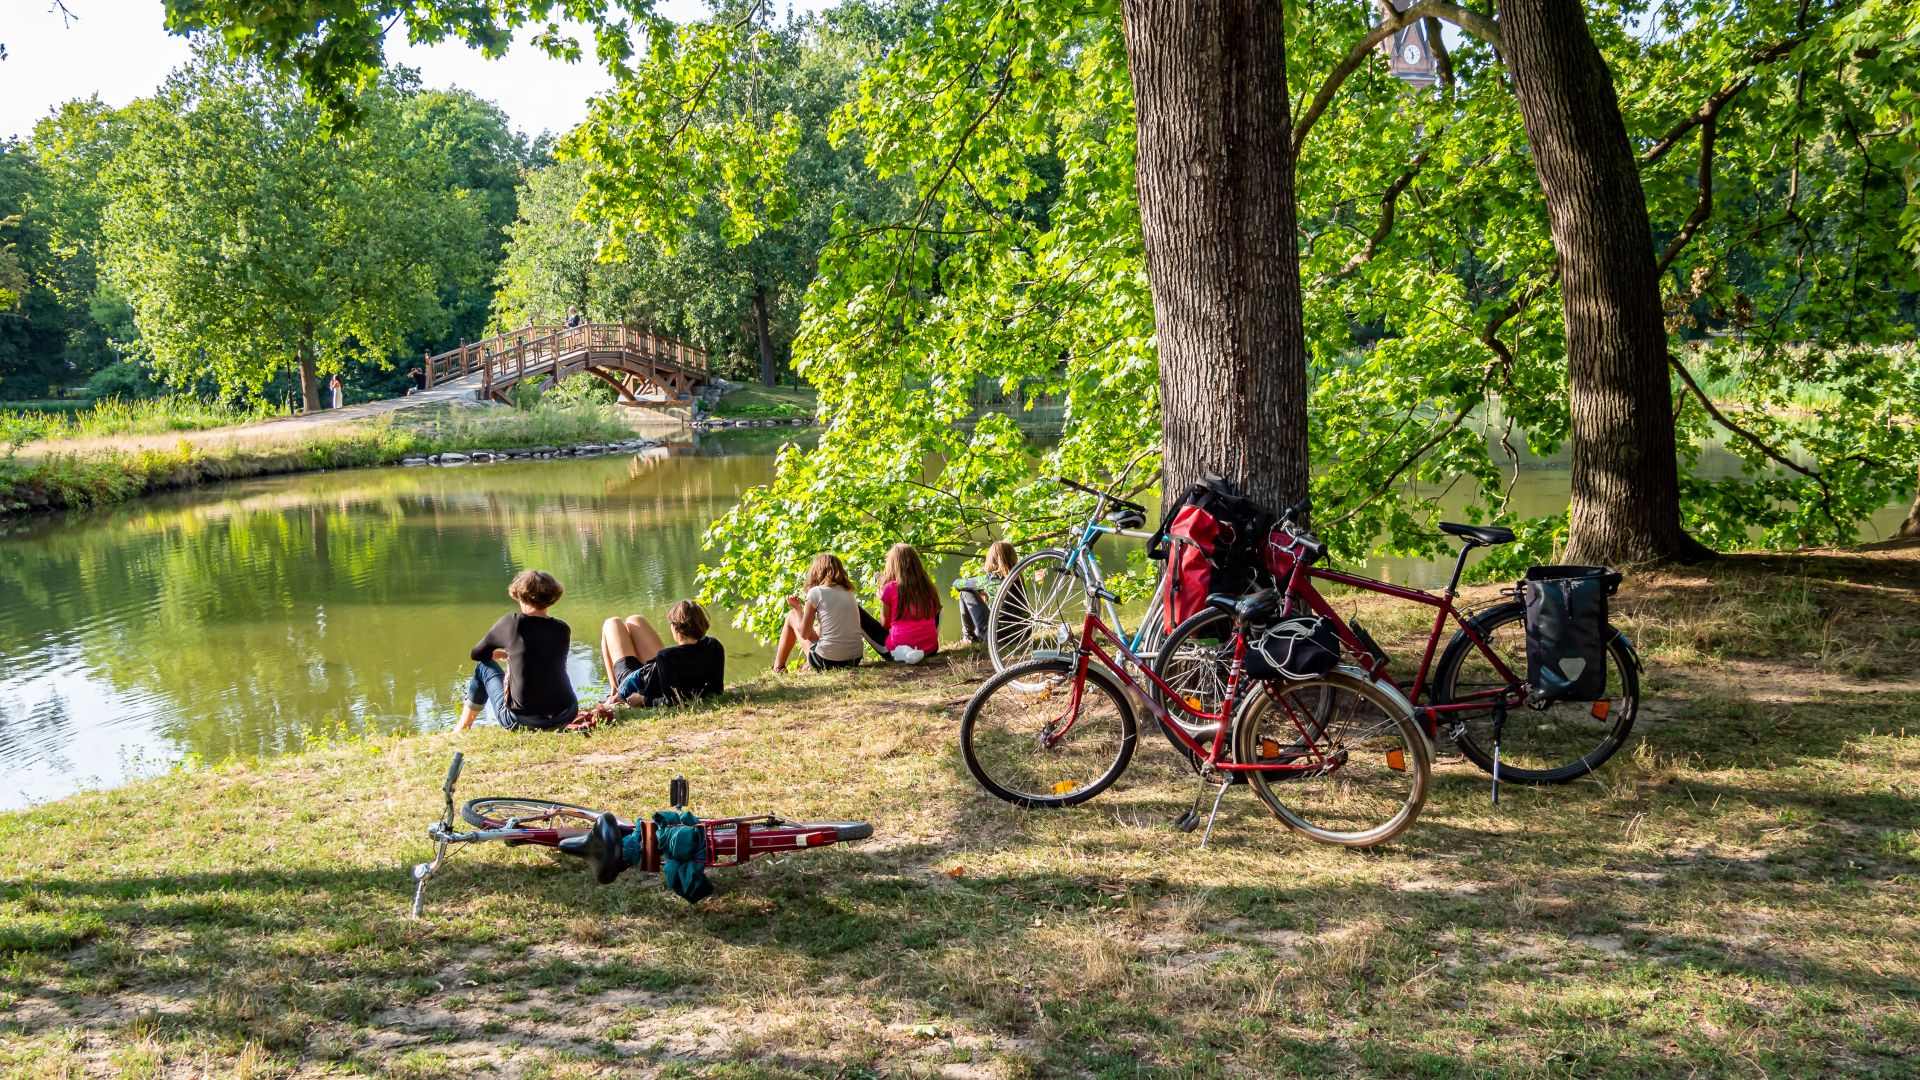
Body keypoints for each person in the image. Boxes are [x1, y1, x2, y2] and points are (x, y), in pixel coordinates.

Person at [459, 570, 579, 731]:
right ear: (552, 598)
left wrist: (498, 653)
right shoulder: (562, 628)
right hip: (566, 713)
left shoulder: (512, 623)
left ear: (519, 596)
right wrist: (509, 654)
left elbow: (477, 654)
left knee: (483, 666)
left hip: (523, 720)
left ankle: (463, 727)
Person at [602, 599, 726, 707]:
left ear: (676, 628)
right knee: (635, 619)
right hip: (656, 672)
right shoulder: (714, 645)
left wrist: (643, 700)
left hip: (635, 684)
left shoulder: (666, 657)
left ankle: (614, 692)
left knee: (611, 623)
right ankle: (614, 692)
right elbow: (717, 690)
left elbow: (673, 701)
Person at [774, 553, 866, 672]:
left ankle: (778, 668)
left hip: (827, 661)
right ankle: (781, 667)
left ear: (816, 572)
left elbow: (804, 634)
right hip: (854, 658)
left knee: (792, 616)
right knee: (819, 628)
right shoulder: (848, 593)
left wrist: (797, 609)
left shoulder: (816, 592)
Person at [862, 543, 941, 664]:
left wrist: (882, 598)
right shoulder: (928, 587)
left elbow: (885, 625)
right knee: (938, 609)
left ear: (893, 565)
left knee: (858, 613)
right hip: (930, 649)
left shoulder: (890, 588)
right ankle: (925, 642)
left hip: (897, 651)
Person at [953, 540, 1019, 644]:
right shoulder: (1018, 577)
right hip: (1021, 634)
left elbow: (957, 583)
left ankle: (969, 636)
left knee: (965, 592)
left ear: (992, 559)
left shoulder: (989, 579)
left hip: (997, 637)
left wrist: (977, 588)